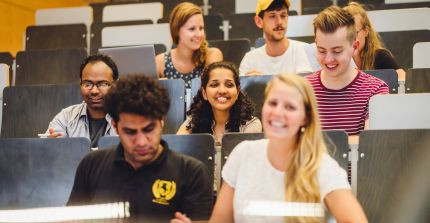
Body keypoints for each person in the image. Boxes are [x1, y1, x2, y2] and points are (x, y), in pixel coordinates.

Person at [172, 74, 368, 223]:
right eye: (273, 103)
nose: (278, 113)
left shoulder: (323, 168)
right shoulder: (243, 154)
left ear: (305, 118)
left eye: (290, 107)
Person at [67, 74, 213, 222]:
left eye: (149, 129)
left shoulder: (192, 172)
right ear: (115, 127)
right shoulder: (91, 165)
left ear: (161, 122)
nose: (141, 142)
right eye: (130, 132)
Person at [306, 6, 389, 143]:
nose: (328, 59)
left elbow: (370, 145)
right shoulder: (304, 89)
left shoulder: (376, 90)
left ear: (354, 47)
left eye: (337, 51)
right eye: (321, 50)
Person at [177, 61, 262, 145]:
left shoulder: (251, 124)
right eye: (214, 85)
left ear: (237, 91)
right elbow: (177, 147)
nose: (222, 91)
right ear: (204, 93)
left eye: (229, 85)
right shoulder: (193, 121)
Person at [45, 54, 118, 147]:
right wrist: (48, 147)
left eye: (102, 84)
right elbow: (45, 154)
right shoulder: (66, 118)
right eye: (87, 84)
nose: (94, 91)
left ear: (116, 84)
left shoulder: (128, 117)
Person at [156, 2, 223, 89]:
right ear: (177, 30)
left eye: (201, 28)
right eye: (192, 29)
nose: (199, 34)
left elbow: (213, 92)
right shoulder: (160, 62)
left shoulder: (212, 55)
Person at [239, 0, 312, 76]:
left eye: (283, 16)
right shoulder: (250, 60)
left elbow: (304, 87)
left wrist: (261, 82)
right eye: (272, 16)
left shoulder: (306, 51)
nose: (279, 22)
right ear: (259, 22)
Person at [344, 2, 406, 81]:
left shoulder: (380, 56)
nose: (350, 38)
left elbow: (402, 79)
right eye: (345, 34)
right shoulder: (339, 58)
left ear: (366, 31)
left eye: (354, 33)